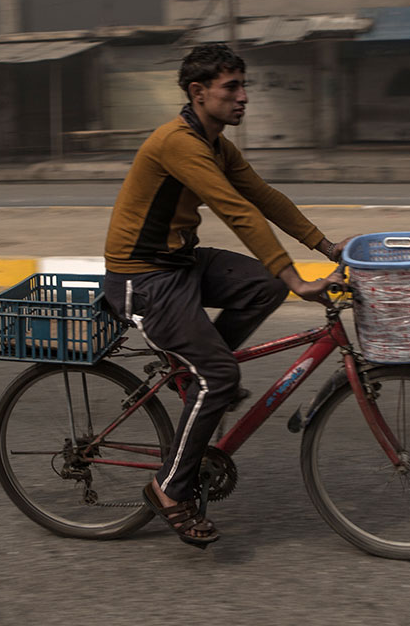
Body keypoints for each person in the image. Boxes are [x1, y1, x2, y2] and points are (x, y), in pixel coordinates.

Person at [101, 43, 348, 548]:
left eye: (244, 85)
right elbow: (237, 212)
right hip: (143, 277)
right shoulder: (179, 142)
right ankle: (169, 488)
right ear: (199, 92)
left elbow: (263, 196)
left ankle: (200, 374)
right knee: (221, 375)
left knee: (262, 285)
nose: (244, 98)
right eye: (231, 87)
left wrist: (325, 245)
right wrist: (297, 278)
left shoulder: (214, 142)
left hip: (180, 263)